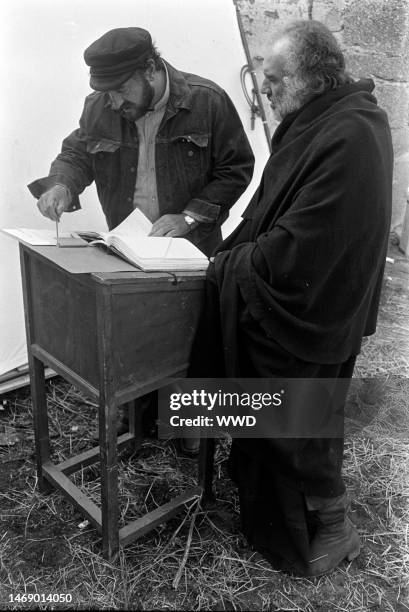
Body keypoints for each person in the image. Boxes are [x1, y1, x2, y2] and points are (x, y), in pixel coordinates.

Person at [189, 20, 393, 575]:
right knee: (269, 414)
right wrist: (214, 257)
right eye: (265, 81)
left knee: (300, 424)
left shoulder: (353, 131)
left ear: (309, 77)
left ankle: (335, 526)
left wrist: (231, 267)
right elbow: (263, 214)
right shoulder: (315, 123)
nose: (268, 93)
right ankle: (271, 519)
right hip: (291, 300)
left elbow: (309, 241)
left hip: (315, 308)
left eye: (275, 81)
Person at [27, 27, 254, 452]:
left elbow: (236, 168)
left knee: (189, 338)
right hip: (129, 247)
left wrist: (189, 215)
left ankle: (189, 424)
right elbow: (77, 154)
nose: (113, 102)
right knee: (134, 332)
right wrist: (61, 184)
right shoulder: (100, 104)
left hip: (189, 249)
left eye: (119, 90)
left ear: (150, 69)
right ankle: (133, 413)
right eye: (106, 93)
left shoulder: (207, 101)